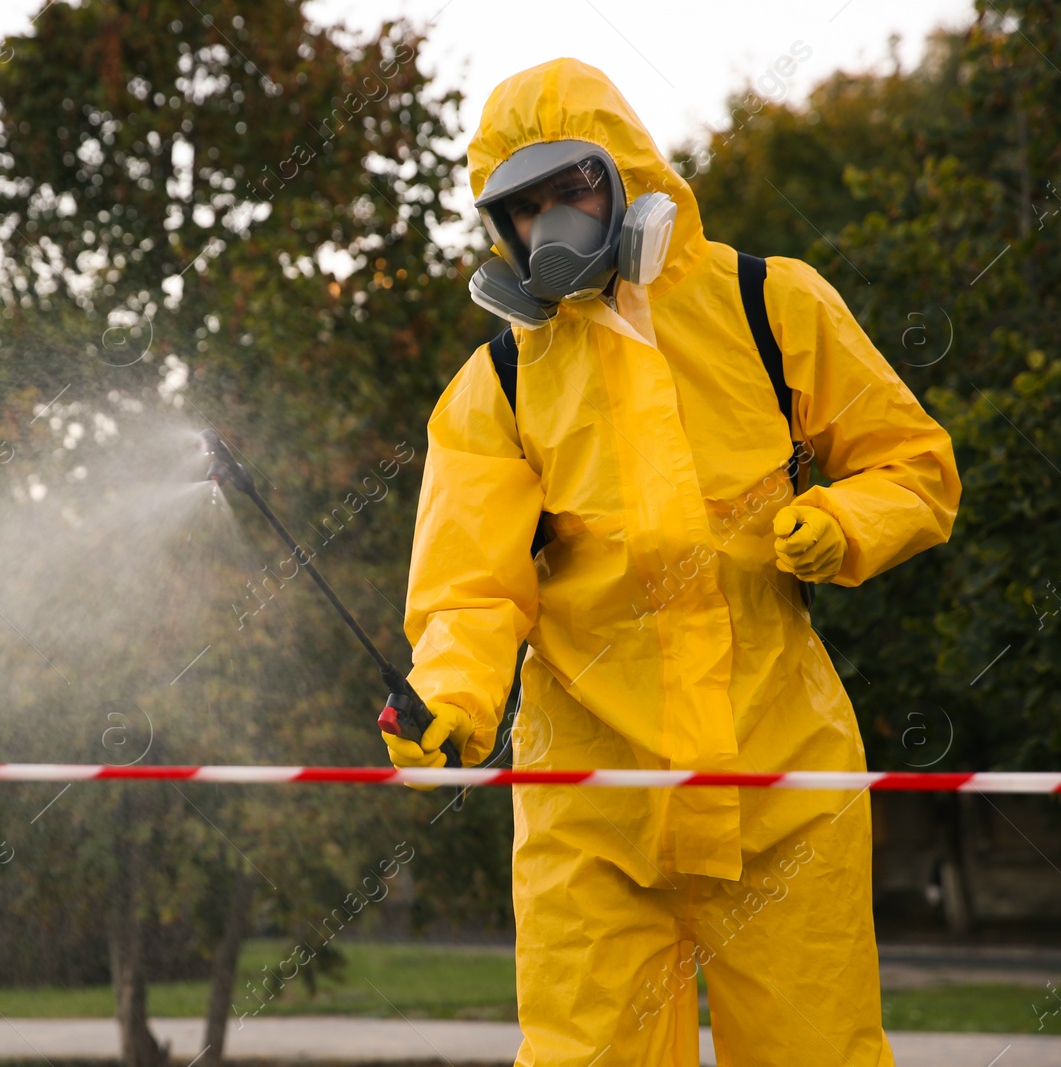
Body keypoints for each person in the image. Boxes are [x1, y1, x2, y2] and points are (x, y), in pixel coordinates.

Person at [381, 59, 960, 1066]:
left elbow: (913, 465)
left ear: (627, 171)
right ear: (499, 228)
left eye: (574, 188)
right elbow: (468, 589)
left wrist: (844, 521)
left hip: (785, 788)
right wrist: (448, 702)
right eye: (525, 207)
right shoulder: (498, 384)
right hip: (589, 812)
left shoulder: (768, 304)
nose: (552, 223)